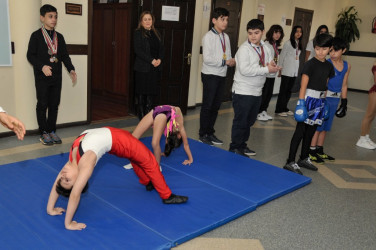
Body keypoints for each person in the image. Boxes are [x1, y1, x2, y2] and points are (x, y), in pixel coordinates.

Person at [46, 127, 188, 230]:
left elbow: (56, 184)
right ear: (78, 180)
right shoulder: (86, 164)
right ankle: (167, 196)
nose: (63, 175)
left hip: (113, 133)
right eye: (67, 180)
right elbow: (75, 194)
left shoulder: (71, 164)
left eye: (62, 178)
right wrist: (68, 223)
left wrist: (50, 209)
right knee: (149, 160)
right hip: (119, 141)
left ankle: (147, 182)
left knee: (136, 157)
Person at [283, 33, 334, 175]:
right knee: (300, 131)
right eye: (317, 49)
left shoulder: (329, 67)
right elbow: (303, 85)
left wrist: (325, 102)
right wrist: (301, 103)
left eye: (324, 49)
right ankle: (290, 161)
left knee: (311, 132)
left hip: (319, 101)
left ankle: (304, 158)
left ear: (330, 49)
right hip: (307, 100)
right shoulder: (310, 64)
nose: (320, 52)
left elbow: (326, 84)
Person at [229, 19, 280, 157]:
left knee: (250, 121)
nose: (253, 36)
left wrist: (274, 69)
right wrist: (266, 69)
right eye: (250, 33)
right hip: (242, 91)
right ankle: (235, 147)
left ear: (263, 32)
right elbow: (245, 70)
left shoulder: (266, 48)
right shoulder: (244, 49)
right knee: (241, 121)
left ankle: (242, 145)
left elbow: (268, 67)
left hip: (257, 91)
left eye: (256, 33)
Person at [27, 4, 77, 146]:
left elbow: (64, 56)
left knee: (54, 105)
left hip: (57, 77)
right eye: (50, 16)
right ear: (42, 18)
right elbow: (30, 56)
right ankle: (43, 133)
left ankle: (51, 131)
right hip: (42, 77)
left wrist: (71, 69)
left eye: (55, 17)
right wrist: (42, 66)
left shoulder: (59, 37)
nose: (53, 19)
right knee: (42, 104)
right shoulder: (36, 36)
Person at [309, 37, 350, 163]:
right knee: (318, 126)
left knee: (327, 126)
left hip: (335, 100)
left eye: (336, 51)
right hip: (325, 98)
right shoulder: (327, 64)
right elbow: (324, 83)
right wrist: (321, 101)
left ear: (344, 50)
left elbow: (344, 84)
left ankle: (320, 150)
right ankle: (312, 150)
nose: (332, 54)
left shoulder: (347, 66)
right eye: (331, 51)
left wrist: (344, 102)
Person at [199, 7, 235, 145]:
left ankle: (210, 132)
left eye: (226, 19)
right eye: (222, 19)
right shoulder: (208, 37)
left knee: (216, 106)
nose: (225, 22)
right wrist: (224, 62)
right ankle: (203, 134)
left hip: (221, 74)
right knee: (208, 105)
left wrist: (231, 61)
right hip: (210, 75)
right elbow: (207, 59)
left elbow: (229, 54)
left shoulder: (226, 37)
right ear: (214, 20)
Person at [133, 11, 164, 120]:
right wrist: (151, 60)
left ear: (152, 21)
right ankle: (141, 115)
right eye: (145, 19)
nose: (147, 21)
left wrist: (159, 59)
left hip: (154, 68)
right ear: (141, 21)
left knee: (151, 92)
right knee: (142, 92)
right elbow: (138, 50)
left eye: (149, 19)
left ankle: (149, 115)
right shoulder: (138, 33)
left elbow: (161, 49)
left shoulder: (157, 33)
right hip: (142, 68)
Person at [257, 24, 284, 121]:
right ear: (271, 33)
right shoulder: (266, 44)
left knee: (269, 94)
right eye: (275, 32)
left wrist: (276, 67)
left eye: (279, 33)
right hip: (266, 74)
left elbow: (274, 58)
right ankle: (259, 112)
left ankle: (264, 111)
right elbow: (263, 60)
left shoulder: (275, 45)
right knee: (264, 93)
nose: (277, 35)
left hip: (272, 74)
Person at [275, 25, 303, 117]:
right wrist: (279, 69)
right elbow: (282, 56)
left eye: (300, 32)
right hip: (286, 71)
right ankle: (279, 109)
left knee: (289, 91)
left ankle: (284, 108)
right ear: (293, 32)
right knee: (283, 90)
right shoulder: (288, 43)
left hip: (294, 72)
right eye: (297, 31)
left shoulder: (298, 43)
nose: (299, 33)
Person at [356, 62, 376, 149]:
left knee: (372, 116)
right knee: (369, 115)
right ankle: (362, 139)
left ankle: (366, 137)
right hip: (374, 92)